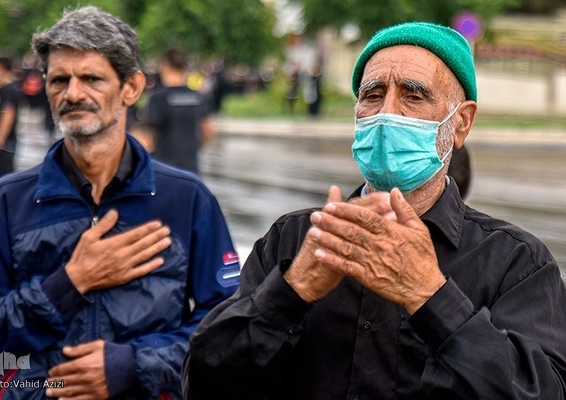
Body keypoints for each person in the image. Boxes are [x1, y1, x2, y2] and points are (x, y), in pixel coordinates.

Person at [183, 22, 566, 399]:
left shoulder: (515, 262)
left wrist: (430, 297)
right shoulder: (294, 240)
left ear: (461, 123)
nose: (386, 113)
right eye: (373, 94)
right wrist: (289, 294)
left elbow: (539, 390)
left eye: (413, 96)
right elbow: (204, 382)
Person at [0, 6, 240, 400]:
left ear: (131, 87)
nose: (72, 93)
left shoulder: (186, 200)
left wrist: (132, 365)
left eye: (91, 78)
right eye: (59, 79)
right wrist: (68, 284)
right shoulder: (4, 204)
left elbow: (228, 329)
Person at [143, 47, 215, 174]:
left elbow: (147, 138)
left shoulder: (158, 99)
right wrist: (191, 149)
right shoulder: (198, 97)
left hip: (164, 170)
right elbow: (208, 132)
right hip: (191, 170)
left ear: (165, 65)